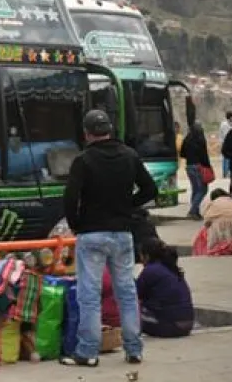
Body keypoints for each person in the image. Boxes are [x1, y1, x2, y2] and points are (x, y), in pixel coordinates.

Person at [61, 109, 158, 367]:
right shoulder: (129, 155)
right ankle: (134, 349)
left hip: (92, 233)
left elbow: (70, 198)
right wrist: (128, 206)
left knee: (89, 295)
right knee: (126, 292)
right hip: (123, 233)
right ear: (110, 130)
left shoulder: (83, 161)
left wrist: (76, 224)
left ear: (87, 133)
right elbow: (150, 188)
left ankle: (88, 352)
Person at [137, 239, 195, 338]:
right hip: (187, 324)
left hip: (170, 326)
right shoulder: (172, 268)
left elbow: (135, 294)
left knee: (129, 313)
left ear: (146, 256)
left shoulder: (150, 271)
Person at [180, 122, 212, 220]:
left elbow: (182, 154)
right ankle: (193, 211)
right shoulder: (200, 140)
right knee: (203, 190)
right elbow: (204, 155)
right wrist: (208, 166)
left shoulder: (187, 139)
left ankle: (196, 212)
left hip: (189, 166)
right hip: (199, 166)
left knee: (195, 189)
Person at [219, 111, 232, 178]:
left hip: (225, 143)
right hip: (226, 143)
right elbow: (226, 135)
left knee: (225, 159)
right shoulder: (225, 125)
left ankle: (225, 173)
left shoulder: (225, 124)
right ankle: (226, 173)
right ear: (230, 117)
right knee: (226, 159)